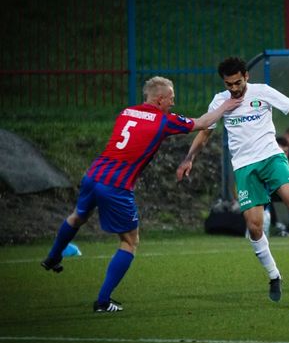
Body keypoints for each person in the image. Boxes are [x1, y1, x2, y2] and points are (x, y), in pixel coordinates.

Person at [41, 76, 242, 312]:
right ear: (160, 99)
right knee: (130, 241)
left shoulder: (126, 112)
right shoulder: (163, 120)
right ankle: (103, 302)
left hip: (93, 175)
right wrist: (226, 105)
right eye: (171, 98)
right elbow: (202, 122)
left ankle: (53, 256)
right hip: (116, 186)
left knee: (77, 216)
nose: (173, 103)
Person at [176, 57, 289, 302]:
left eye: (238, 82)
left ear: (246, 77)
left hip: (271, 157)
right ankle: (274, 275)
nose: (234, 88)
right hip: (244, 167)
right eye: (229, 84)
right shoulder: (220, 101)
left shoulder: (263, 92)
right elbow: (205, 133)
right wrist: (189, 158)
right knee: (254, 226)